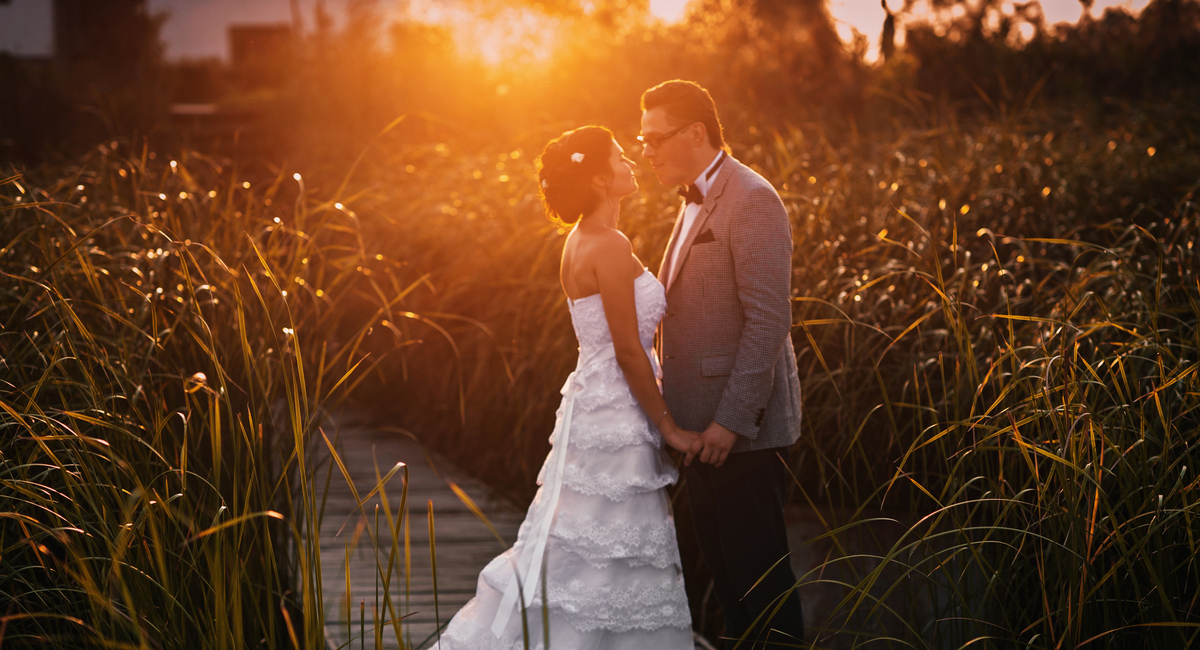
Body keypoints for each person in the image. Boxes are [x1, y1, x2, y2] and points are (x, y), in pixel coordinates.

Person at [438, 125, 699, 650]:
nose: (631, 164)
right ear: (602, 178)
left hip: (594, 406)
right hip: (618, 416)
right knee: (612, 548)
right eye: (621, 158)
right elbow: (628, 350)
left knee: (590, 546)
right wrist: (670, 428)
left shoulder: (579, 240)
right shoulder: (607, 244)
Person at [640, 79, 805, 649]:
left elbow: (767, 323)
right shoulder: (691, 198)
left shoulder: (752, 197)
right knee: (732, 592)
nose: (647, 151)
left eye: (655, 138)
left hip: (742, 435)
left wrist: (729, 423)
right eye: (641, 141)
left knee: (763, 589)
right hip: (698, 433)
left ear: (695, 132)